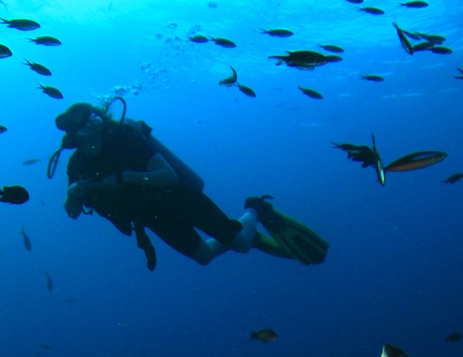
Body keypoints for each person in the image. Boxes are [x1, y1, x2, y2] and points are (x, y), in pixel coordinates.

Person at [49, 100, 327, 270]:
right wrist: (72, 196)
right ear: (72, 132)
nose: (91, 127)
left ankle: (254, 210)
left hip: (178, 198)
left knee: (240, 246)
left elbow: (168, 176)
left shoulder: (123, 138)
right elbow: (72, 212)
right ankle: (244, 232)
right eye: (82, 125)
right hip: (149, 217)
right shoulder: (77, 164)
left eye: (93, 119)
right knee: (204, 256)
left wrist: (123, 178)